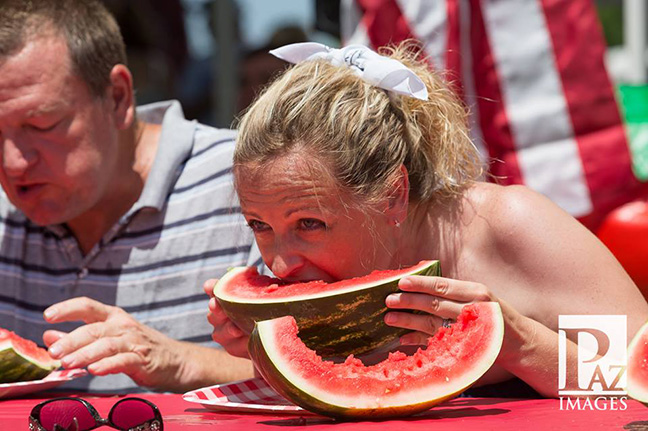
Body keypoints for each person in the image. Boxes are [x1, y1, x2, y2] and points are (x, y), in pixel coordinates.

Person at [206, 42, 648, 398]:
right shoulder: (312, 281)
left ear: (394, 196)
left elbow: (637, 376)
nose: (279, 266)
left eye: (309, 224)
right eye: (259, 226)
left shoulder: (510, 227)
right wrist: (266, 353)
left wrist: (520, 345)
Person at [0, 0, 259, 393]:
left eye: (40, 124)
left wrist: (180, 361)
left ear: (118, 97)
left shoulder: (252, 185)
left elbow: (331, 368)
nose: (13, 162)